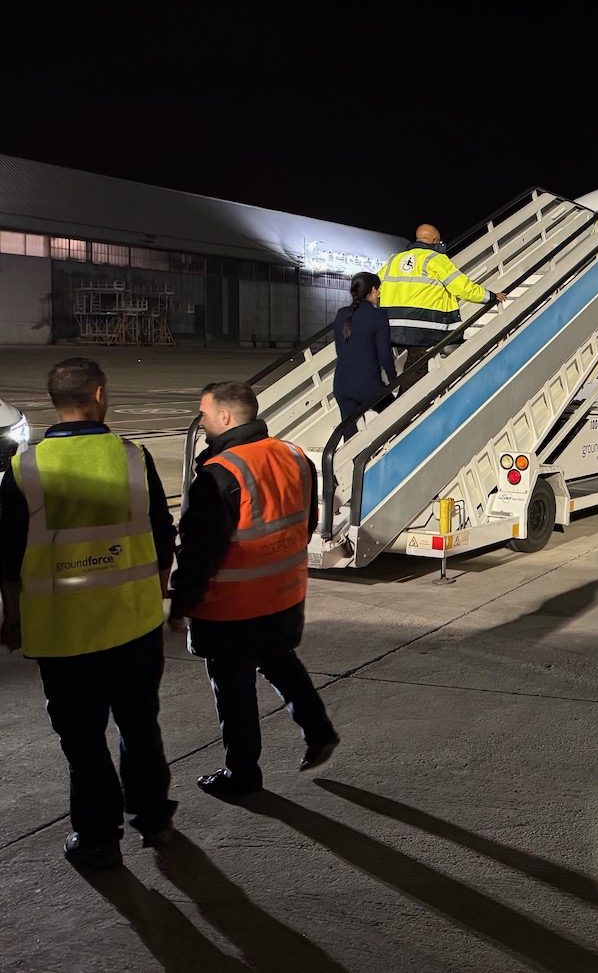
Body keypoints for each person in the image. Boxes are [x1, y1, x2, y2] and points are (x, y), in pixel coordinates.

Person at [0, 357, 178, 869]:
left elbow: (8, 558)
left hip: (63, 632)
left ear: (52, 401)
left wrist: (12, 618)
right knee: (140, 725)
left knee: (82, 739)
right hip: (133, 622)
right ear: (99, 394)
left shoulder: (23, 469)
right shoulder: (132, 457)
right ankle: (154, 820)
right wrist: (160, 593)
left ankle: (98, 839)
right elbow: (162, 536)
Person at [170, 381, 340, 796]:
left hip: (230, 609)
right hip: (283, 596)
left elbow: (199, 554)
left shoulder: (218, 474)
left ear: (225, 417)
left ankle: (242, 774)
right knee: (280, 661)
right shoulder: (296, 456)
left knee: (234, 691)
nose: (203, 423)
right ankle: (319, 731)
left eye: (205, 415)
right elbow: (307, 522)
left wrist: (181, 604)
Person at [378, 224, 505, 386]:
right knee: (421, 363)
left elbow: (376, 287)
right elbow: (462, 287)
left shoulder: (393, 260)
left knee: (413, 360)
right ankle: (411, 402)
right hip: (425, 324)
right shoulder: (436, 259)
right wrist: (490, 296)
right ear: (436, 241)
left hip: (392, 326)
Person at [332, 271, 397, 442]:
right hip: (368, 386)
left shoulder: (341, 314)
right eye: (379, 290)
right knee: (397, 415)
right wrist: (394, 380)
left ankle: (351, 466)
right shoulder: (378, 316)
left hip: (341, 385)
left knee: (351, 438)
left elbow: (340, 350)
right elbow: (384, 354)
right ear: (373, 290)